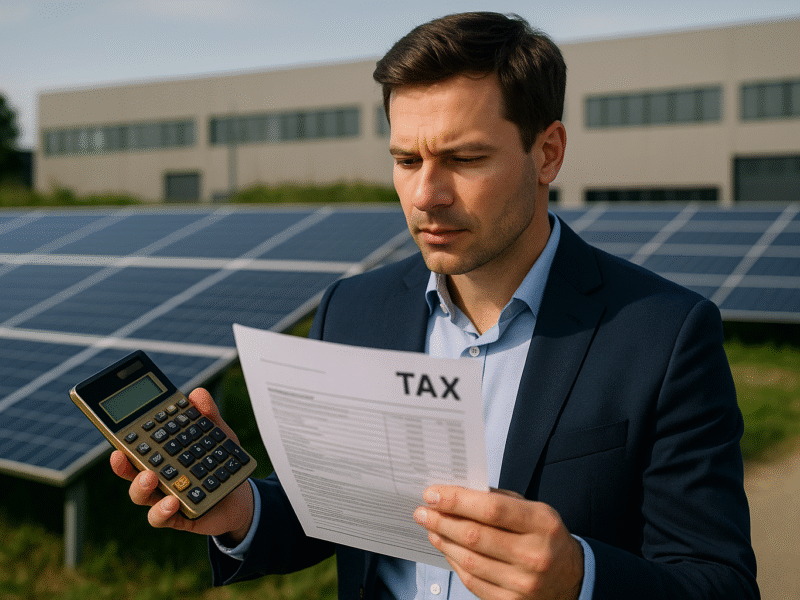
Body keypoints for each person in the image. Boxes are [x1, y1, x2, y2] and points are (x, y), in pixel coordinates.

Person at [111, 12, 759, 600]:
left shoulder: (665, 335)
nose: (425, 195)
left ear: (548, 152)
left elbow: (720, 584)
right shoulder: (352, 311)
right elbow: (338, 513)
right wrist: (243, 510)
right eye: (405, 159)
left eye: (464, 158)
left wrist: (578, 577)